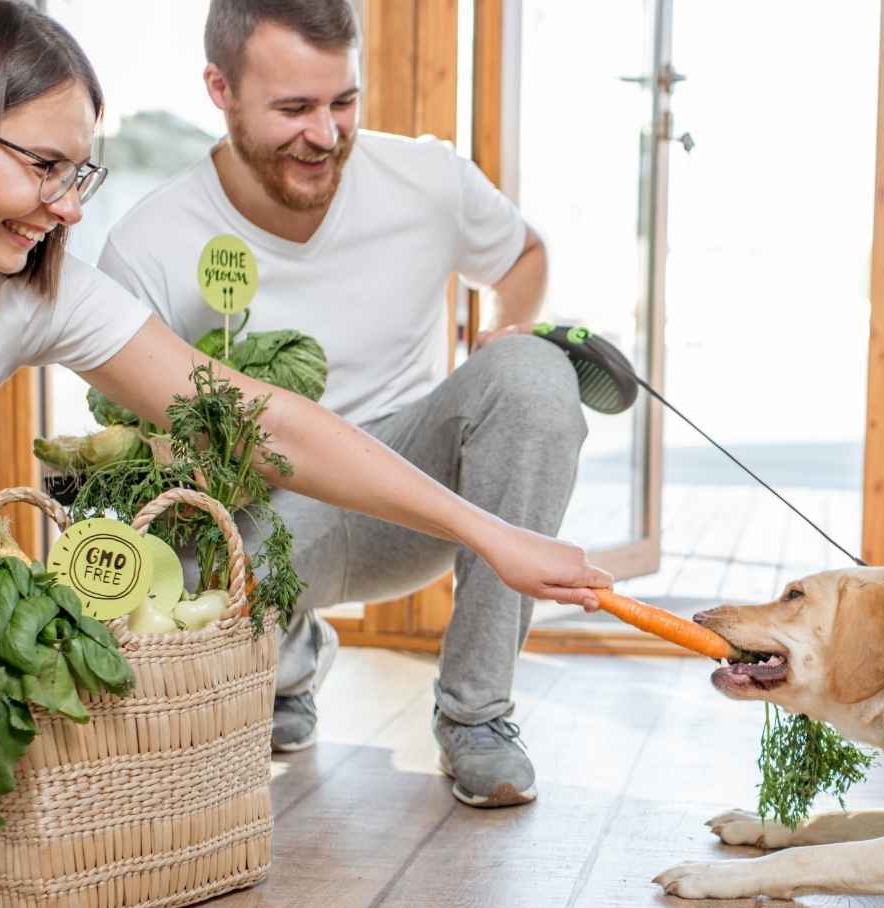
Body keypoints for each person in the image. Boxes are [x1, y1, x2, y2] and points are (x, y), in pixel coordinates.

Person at [0, 0, 610, 858]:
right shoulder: (156, 233)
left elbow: (262, 424)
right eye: (43, 165)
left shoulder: (42, 292)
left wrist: (493, 536)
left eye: (77, 175)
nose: (66, 209)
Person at [98, 0, 590, 809]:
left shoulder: (426, 179)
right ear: (220, 89)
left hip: (413, 498)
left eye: (342, 102)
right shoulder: (150, 245)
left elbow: (523, 252)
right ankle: (286, 667)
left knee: (535, 375)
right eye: (293, 108)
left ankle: (476, 714)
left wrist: (507, 328)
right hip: (261, 513)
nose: (324, 135)